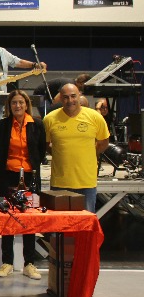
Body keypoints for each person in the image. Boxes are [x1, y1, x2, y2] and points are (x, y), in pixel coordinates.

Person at [0, 90, 47, 280]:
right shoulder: (1, 126)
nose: (17, 106)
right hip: (7, 177)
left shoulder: (37, 124)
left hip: (30, 177)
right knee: (8, 219)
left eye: (21, 103)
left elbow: (41, 151)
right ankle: (7, 262)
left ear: (26, 105)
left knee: (29, 220)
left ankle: (29, 263)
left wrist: (30, 167)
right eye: (14, 103)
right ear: (9, 106)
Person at [43, 84, 109, 213]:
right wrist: (60, 153)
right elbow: (46, 145)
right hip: (60, 184)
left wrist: (89, 153)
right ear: (61, 99)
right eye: (66, 97)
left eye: (73, 96)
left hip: (86, 183)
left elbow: (104, 142)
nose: (70, 101)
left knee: (85, 227)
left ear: (79, 96)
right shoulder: (49, 119)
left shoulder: (95, 117)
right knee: (60, 228)